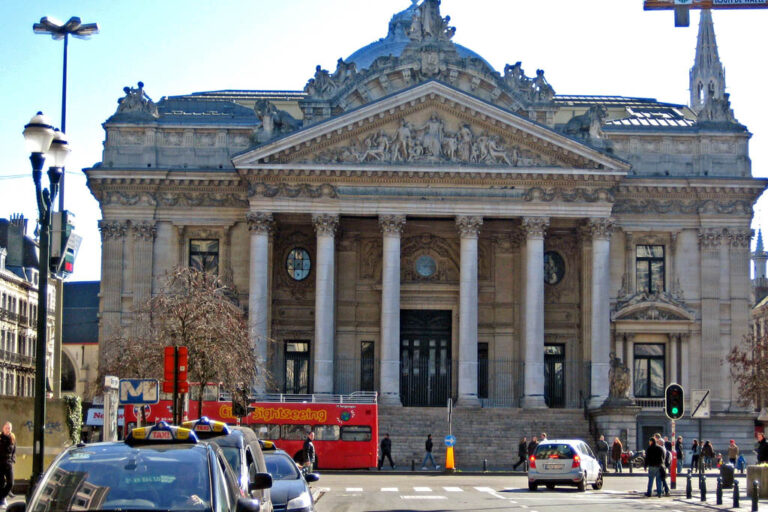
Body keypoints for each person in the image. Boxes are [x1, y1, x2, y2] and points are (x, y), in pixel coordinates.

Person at [0, 422, 15, 508]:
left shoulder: (12, 438)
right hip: (0, 464)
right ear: (3, 428)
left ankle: (1, 497)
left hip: (8, 464)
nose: (7, 429)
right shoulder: (0, 438)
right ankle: (2, 500)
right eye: (6, 428)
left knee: (10, 483)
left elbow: (14, 451)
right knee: (1, 483)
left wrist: (13, 460)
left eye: (9, 428)